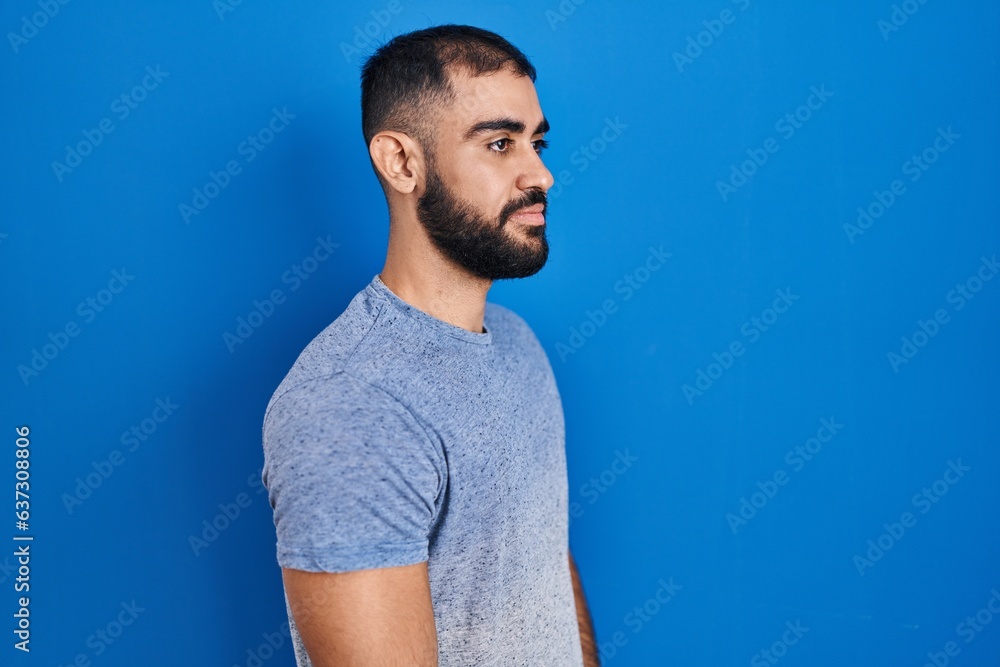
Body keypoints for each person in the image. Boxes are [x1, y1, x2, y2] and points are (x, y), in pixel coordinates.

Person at [261, 24, 599, 666]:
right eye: (500, 143)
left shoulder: (518, 345)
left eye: (537, 141)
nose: (543, 175)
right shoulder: (348, 406)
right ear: (401, 162)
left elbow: (541, 558)